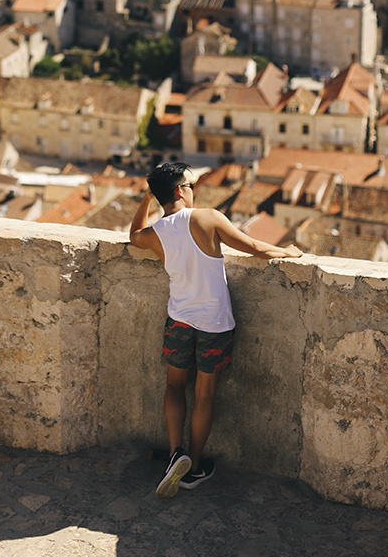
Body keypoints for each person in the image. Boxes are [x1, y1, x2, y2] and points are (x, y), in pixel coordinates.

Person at [129, 161, 302, 498]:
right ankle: (192, 467)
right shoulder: (207, 218)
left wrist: (146, 200)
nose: (194, 191)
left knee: (175, 387)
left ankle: (174, 451)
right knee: (204, 395)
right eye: (190, 186)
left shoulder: (156, 233)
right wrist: (287, 252)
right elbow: (253, 248)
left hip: (179, 320)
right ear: (180, 191)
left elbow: (133, 236)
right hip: (214, 324)